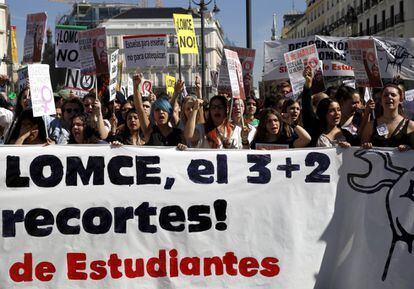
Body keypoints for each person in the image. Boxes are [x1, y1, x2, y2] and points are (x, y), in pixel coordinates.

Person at [133, 74, 183, 146]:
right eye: (157, 110)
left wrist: (183, 148)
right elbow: (139, 108)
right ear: (153, 114)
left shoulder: (179, 133)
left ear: (169, 113)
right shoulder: (149, 130)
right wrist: (136, 87)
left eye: (164, 110)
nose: (161, 112)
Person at [361, 83, 414, 151]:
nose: (389, 97)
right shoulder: (370, 126)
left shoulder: (411, 126)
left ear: (401, 100)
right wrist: (365, 146)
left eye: (393, 95)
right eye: (385, 95)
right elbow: (359, 151)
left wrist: (410, 148)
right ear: (381, 101)